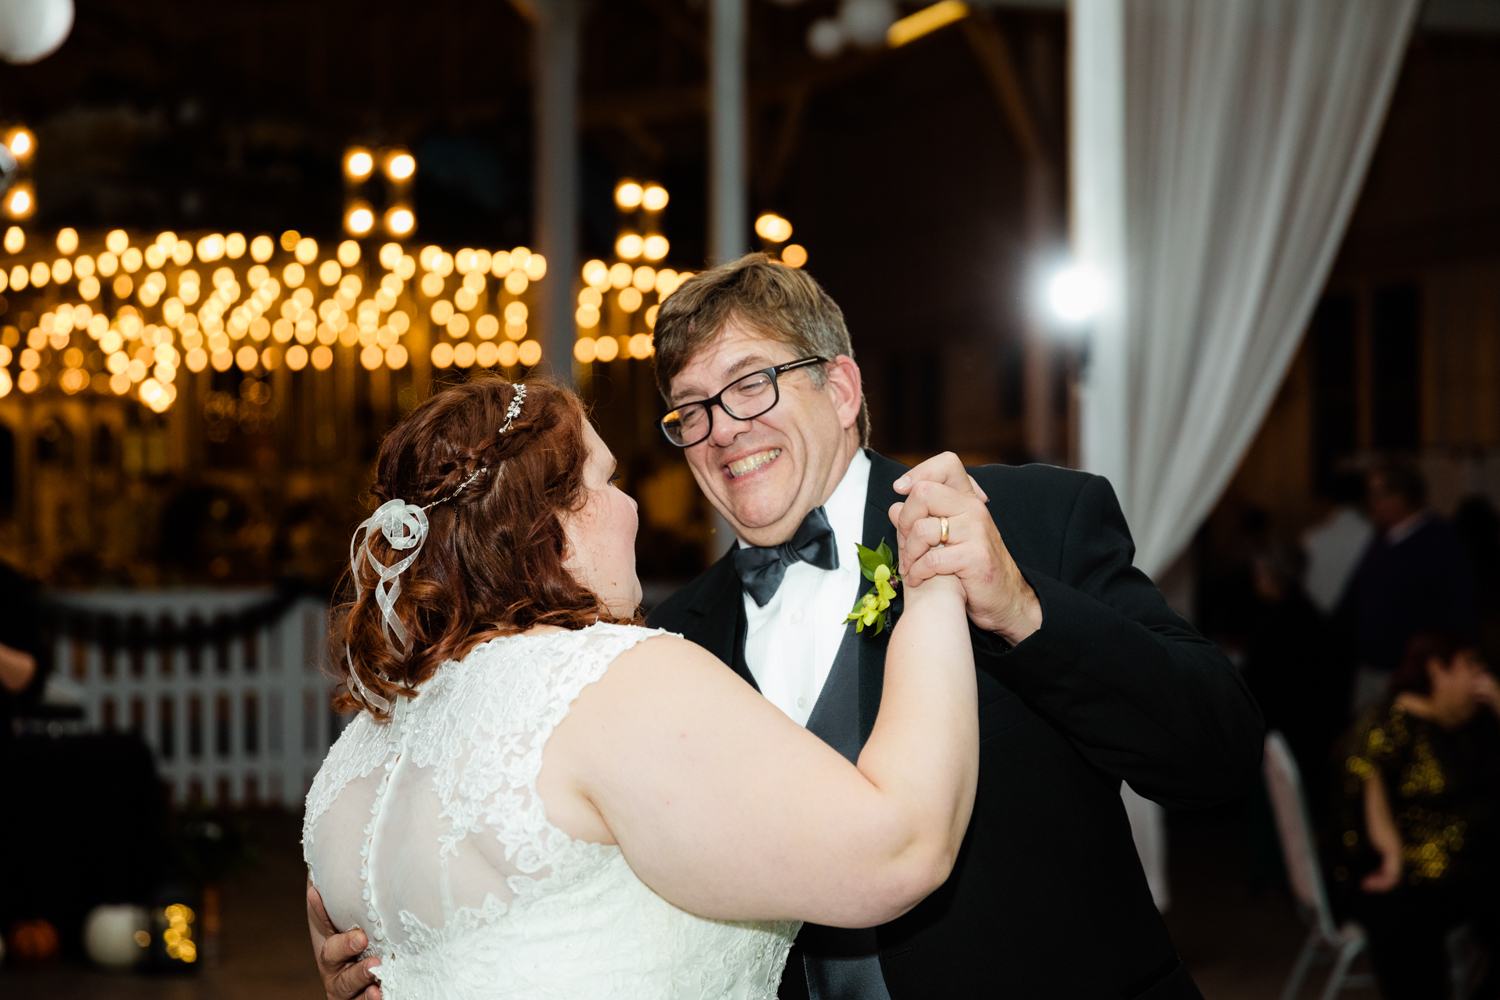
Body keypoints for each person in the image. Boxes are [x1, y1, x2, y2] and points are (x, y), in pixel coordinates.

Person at [314, 254, 1264, 1000]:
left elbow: (1216, 749)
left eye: (752, 383)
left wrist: (1023, 611)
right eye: (690, 410)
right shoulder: (660, 645)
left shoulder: (1025, 520)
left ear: (843, 389)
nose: (722, 428)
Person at [302, 376, 980, 999]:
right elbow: (903, 847)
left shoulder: (358, 754)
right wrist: (934, 582)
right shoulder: (608, 680)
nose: (631, 505)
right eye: (608, 478)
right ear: (548, 518)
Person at [1334, 632, 1500, 998]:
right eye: (1471, 665)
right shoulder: (1388, 720)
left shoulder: (1476, 727)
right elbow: (1366, 785)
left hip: (1470, 869)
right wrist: (1390, 852)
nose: (1481, 678)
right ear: (1437, 670)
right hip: (1408, 876)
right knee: (1401, 924)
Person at [1344, 459, 1479, 713]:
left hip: (1413, 679)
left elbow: (1461, 615)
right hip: (1371, 669)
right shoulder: (1381, 539)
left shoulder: (1441, 543)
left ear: (1400, 497)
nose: (1369, 503)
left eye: (1376, 495)